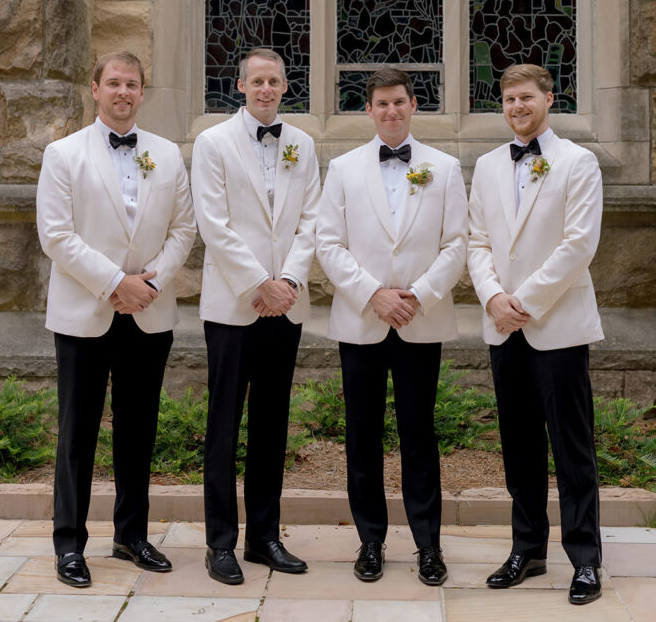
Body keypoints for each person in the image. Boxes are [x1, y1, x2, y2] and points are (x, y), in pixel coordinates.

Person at [36, 51, 196, 588]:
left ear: (142, 92)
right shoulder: (63, 154)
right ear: (95, 88)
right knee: (77, 434)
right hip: (85, 313)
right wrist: (114, 283)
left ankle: (131, 534)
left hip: (148, 312)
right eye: (113, 83)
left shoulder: (167, 154)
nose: (123, 92)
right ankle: (69, 544)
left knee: (138, 430)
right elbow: (56, 235)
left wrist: (149, 284)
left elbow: (184, 229)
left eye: (132, 84)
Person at [316, 67, 467, 585]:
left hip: (420, 320)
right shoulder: (342, 168)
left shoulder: (444, 167)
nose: (391, 111)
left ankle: (428, 545)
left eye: (399, 101)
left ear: (413, 104)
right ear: (369, 110)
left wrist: (418, 295)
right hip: (363, 319)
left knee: (419, 434)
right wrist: (373, 294)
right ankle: (370, 541)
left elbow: (456, 243)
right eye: (381, 103)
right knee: (362, 434)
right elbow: (328, 243)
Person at [468, 63, 604, 606]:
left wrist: (522, 301)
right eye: (508, 99)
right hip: (504, 327)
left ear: (549, 99)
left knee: (572, 448)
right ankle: (527, 548)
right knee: (519, 446)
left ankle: (586, 558)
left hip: (557, 324)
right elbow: (477, 241)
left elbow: (579, 243)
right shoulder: (486, 166)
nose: (517, 107)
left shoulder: (578, 161)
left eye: (526, 97)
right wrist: (493, 298)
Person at [191, 47, 320, 585]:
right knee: (223, 425)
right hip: (232, 305)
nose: (266, 89)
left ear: (285, 86)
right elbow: (213, 223)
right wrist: (257, 285)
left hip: (284, 306)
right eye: (257, 81)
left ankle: (264, 537)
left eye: (274, 81)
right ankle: (220, 543)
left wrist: (287, 282)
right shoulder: (212, 143)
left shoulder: (302, 144)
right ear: (240, 86)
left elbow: (311, 220)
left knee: (271, 424)